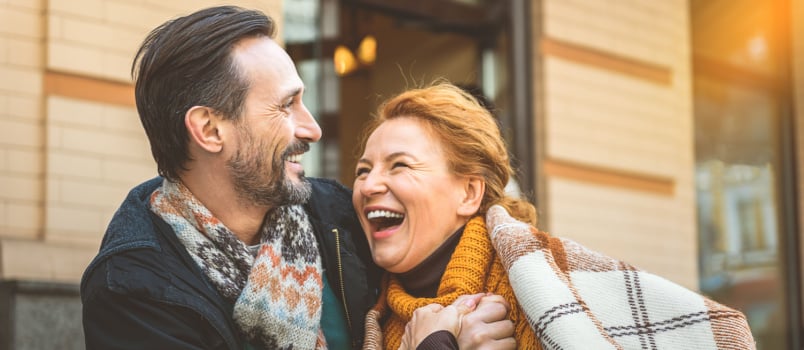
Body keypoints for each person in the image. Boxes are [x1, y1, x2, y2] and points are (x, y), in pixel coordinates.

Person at [80, 6, 513, 350]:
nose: (312, 129)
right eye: (287, 106)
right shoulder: (133, 290)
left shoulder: (337, 217)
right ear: (210, 130)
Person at [353, 82, 757, 349]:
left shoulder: (546, 283)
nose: (370, 185)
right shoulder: (367, 312)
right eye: (363, 170)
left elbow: (725, 335)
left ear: (469, 192)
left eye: (399, 165)